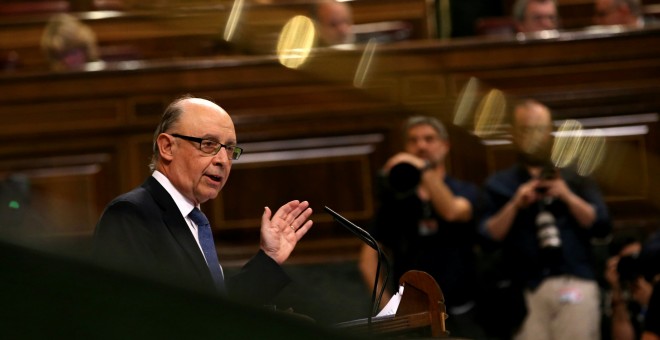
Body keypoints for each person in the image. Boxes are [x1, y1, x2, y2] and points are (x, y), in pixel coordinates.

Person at [94, 95, 313, 306]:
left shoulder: (192, 218)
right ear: (167, 147)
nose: (222, 161)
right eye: (208, 144)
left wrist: (269, 258)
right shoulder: (131, 214)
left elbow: (215, 308)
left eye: (229, 149)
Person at [480, 99, 610, 340]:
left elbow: (601, 224)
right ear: (513, 134)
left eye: (540, 129)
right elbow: (487, 238)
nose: (533, 136)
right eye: (526, 129)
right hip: (523, 289)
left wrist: (566, 194)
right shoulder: (500, 184)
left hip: (575, 279)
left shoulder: (575, 177)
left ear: (550, 133)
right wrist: (516, 204)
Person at [358, 116, 485, 338]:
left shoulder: (465, 191)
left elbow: (452, 211)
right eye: (413, 140)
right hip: (413, 315)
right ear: (406, 148)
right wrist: (388, 311)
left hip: (462, 311)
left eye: (429, 139)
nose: (421, 146)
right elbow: (367, 260)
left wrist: (422, 169)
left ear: (445, 146)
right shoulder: (395, 202)